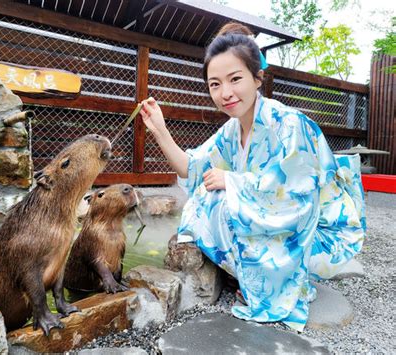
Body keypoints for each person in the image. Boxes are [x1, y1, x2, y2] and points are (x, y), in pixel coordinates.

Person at [139, 22, 366, 331]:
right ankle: (255, 275)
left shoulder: (288, 123)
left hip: (315, 233)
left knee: (221, 195)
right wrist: (160, 130)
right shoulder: (232, 129)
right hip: (273, 220)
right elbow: (192, 169)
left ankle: (275, 282)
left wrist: (232, 182)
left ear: (257, 77)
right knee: (206, 198)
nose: (225, 93)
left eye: (235, 79)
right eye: (215, 84)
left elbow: (299, 198)